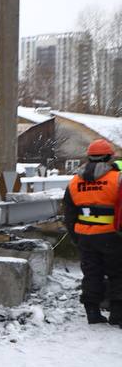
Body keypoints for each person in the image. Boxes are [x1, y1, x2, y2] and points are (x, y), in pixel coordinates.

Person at [61, 138, 122, 325]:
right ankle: (117, 314)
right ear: (110, 157)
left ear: (89, 157)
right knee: (117, 274)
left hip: (85, 237)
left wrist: (76, 237)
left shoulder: (75, 181)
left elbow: (69, 213)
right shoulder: (117, 178)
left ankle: (92, 313)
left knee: (91, 274)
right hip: (112, 236)